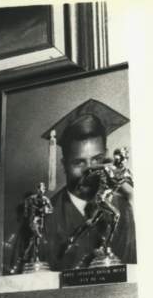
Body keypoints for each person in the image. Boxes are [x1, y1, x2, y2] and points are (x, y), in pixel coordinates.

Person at [39, 99, 135, 270]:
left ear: (106, 156)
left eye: (97, 159)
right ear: (64, 165)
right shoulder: (46, 217)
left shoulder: (123, 208)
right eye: (79, 162)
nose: (90, 171)